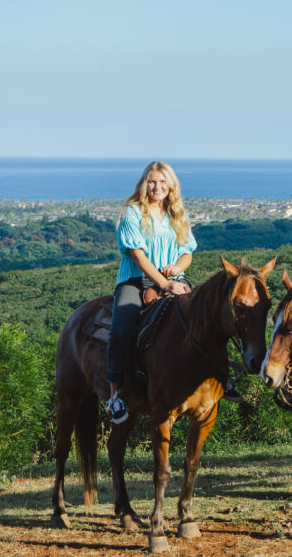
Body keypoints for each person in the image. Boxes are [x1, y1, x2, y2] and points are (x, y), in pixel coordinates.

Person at [105, 161, 196, 424]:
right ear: (144, 184)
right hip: (136, 280)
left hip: (172, 278)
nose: (157, 187)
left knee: (206, 314)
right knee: (121, 328)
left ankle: (219, 378)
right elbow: (138, 256)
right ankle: (115, 396)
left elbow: (187, 252)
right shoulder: (133, 213)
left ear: (171, 186)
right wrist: (164, 284)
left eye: (162, 182)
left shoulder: (178, 214)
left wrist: (176, 268)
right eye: (152, 181)